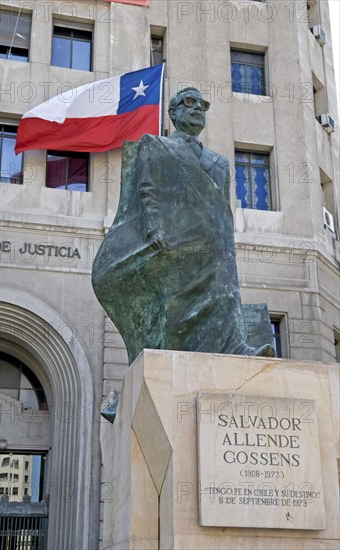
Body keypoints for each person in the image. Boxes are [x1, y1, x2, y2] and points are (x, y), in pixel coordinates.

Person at [92, 87, 274, 374]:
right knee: (184, 305)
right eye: (188, 103)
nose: (197, 109)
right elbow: (147, 189)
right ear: (173, 112)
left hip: (212, 244)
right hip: (173, 240)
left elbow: (222, 211)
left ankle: (236, 346)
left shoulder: (220, 162)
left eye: (202, 105)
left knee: (226, 290)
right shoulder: (157, 146)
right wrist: (153, 229)